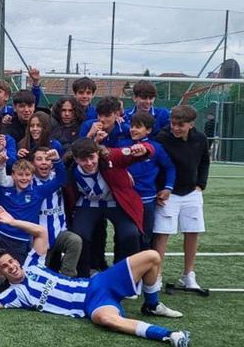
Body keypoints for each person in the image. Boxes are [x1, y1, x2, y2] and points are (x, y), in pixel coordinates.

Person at [0, 206, 190, 347]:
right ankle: (168, 335)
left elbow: (40, 231)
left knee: (151, 256)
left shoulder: (33, 264)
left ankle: (152, 304)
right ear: (0, 274)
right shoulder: (15, 294)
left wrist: (13, 222)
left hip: (97, 284)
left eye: (12, 261)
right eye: (5, 267)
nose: (12, 266)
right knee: (105, 319)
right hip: (91, 306)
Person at [0, 147, 66, 299]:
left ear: (32, 176)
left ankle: (0, 279)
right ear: (13, 175)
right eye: (20, 175)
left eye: (27, 175)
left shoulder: (38, 191)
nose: (24, 178)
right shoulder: (4, 189)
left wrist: (57, 160)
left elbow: (61, 179)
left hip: (19, 243)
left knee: (26, 282)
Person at [65, 138, 153, 277]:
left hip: (115, 202)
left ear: (98, 153)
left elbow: (143, 150)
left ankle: (126, 276)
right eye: (83, 160)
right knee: (80, 235)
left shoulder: (111, 157)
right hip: (88, 203)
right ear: (75, 159)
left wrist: (144, 149)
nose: (89, 163)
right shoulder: (69, 167)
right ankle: (85, 274)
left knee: (130, 234)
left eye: (91, 157)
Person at [153, 105, 210, 290]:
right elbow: (155, 165)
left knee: (192, 232)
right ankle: (157, 275)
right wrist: (159, 190)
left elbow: (204, 161)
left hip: (192, 193)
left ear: (191, 124)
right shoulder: (161, 138)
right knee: (162, 235)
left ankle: (188, 275)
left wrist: (200, 184)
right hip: (167, 195)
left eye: (181, 125)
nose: (175, 128)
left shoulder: (200, 139)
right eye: (173, 123)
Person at [119, 112, 176, 249]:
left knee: (145, 237)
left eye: (138, 127)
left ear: (149, 130)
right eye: (132, 126)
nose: (133, 129)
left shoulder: (156, 147)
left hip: (147, 200)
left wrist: (168, 188)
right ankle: (122, 267)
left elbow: (170, 168)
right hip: (125, 200)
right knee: (125, 236)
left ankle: (144, 268)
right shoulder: (122, 144)